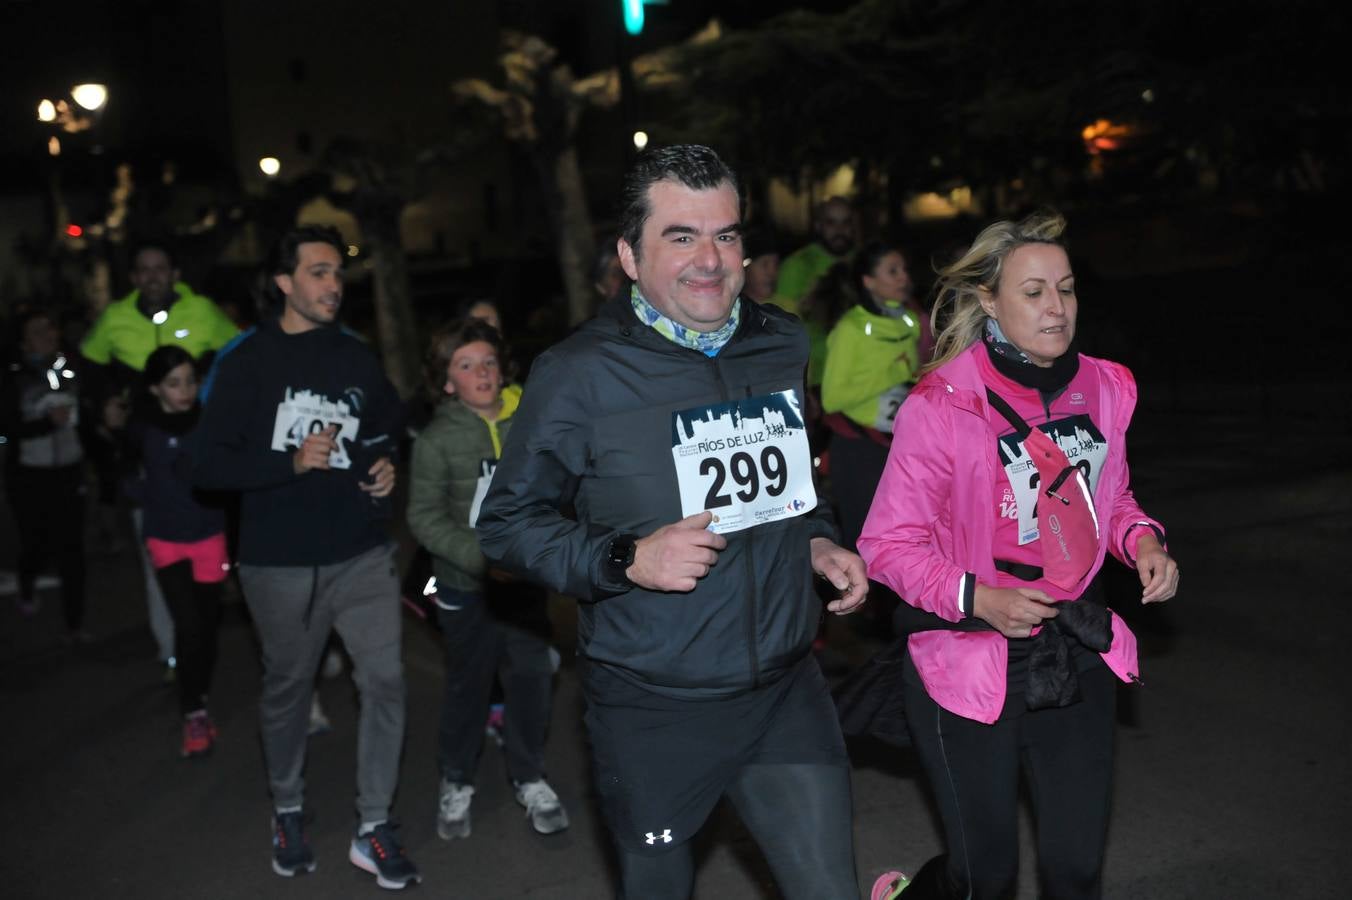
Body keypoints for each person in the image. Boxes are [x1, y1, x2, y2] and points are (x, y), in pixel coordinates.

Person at [477, 144, 869, 900]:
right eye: (681, 237)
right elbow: (505, 524)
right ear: (629, 255)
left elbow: (791, 487)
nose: (711, 260)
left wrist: (819, 537)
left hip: (784, 684)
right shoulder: (579, 372)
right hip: (654, 704)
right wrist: (627, 558)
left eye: (725, 235)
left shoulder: (780, 340)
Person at [857, 211, 1179, 900]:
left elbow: (1110, 497)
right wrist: (980, 597)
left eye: (1064, 289)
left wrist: (1142, 539)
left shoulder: (1105, 387)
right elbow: (886, 546)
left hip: (1073, 646)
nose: (1056, 307)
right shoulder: (942, 405)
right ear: (988, 302)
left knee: (1074, 871)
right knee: (985, 876)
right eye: (1033, 291)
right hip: (967, 659)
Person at [192, 225, 419, 888]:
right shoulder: (245, 363)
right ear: (284, 283)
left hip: (361, 552)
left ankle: (374, 824)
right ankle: (287, 807)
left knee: (385, 681)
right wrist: (285, 462)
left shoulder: (354, 356)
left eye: (337, 274)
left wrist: (383, 468)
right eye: (318, 272)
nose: (333, 285)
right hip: (279, 562)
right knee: (289, 688)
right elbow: (206, 465)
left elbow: (385, 429)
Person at [407, 318, 569, 842]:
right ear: (447, 381)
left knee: (531, 679)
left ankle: (529, 775)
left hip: (522, 585)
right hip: (464, 586)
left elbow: (560, 488)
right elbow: (424, 517)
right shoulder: (436, 440)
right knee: (469, 686)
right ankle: (456, 779)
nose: (482, 372)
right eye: (466, 364)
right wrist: (479, 558)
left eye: (489, 362)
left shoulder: (532, 421)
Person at [80, 241, 239, 676]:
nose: (152, 276)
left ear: (174, 273)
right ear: (133, 278)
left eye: (160, 268)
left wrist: (213, 383)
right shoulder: (115, 318)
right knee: (158, 556)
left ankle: (210, 633)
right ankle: (172, 650)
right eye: (143, 270)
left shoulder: (203, 311)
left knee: (217, 549)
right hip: (145, 447)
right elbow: (88, 366)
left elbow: (239, 352)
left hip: (201, 446)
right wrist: (106, 402)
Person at [126, 346, 228, 757]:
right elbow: (122, 475)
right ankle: (193, 713)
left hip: (209, 536)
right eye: (173, 383)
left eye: (190, 380)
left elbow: (229, 470)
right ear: (154, 388)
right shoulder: (141, 428)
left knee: (206, 629)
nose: (184, 390)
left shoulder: (210, 422)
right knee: (187, 626)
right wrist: (149, 493)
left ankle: (197, 689)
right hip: (166, 539)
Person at [1, 310, 88, 637]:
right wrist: (44, 424)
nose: (48, 335)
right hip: (28, 475)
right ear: (24, 341)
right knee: (36, 545)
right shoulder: (12, 377)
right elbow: (4, 432)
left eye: (51, 328)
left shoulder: (72, 367)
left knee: (72, 551)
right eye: (38, 331)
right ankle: (26, 583)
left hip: (70, 470)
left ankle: (75, 624)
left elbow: (87, 417)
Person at [770, 195, 857, 318]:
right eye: (831, 223)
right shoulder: (796, 265)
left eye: (846, 222)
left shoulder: (863, 263)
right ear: (818, 226)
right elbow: (782, 323)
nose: (840, 230)